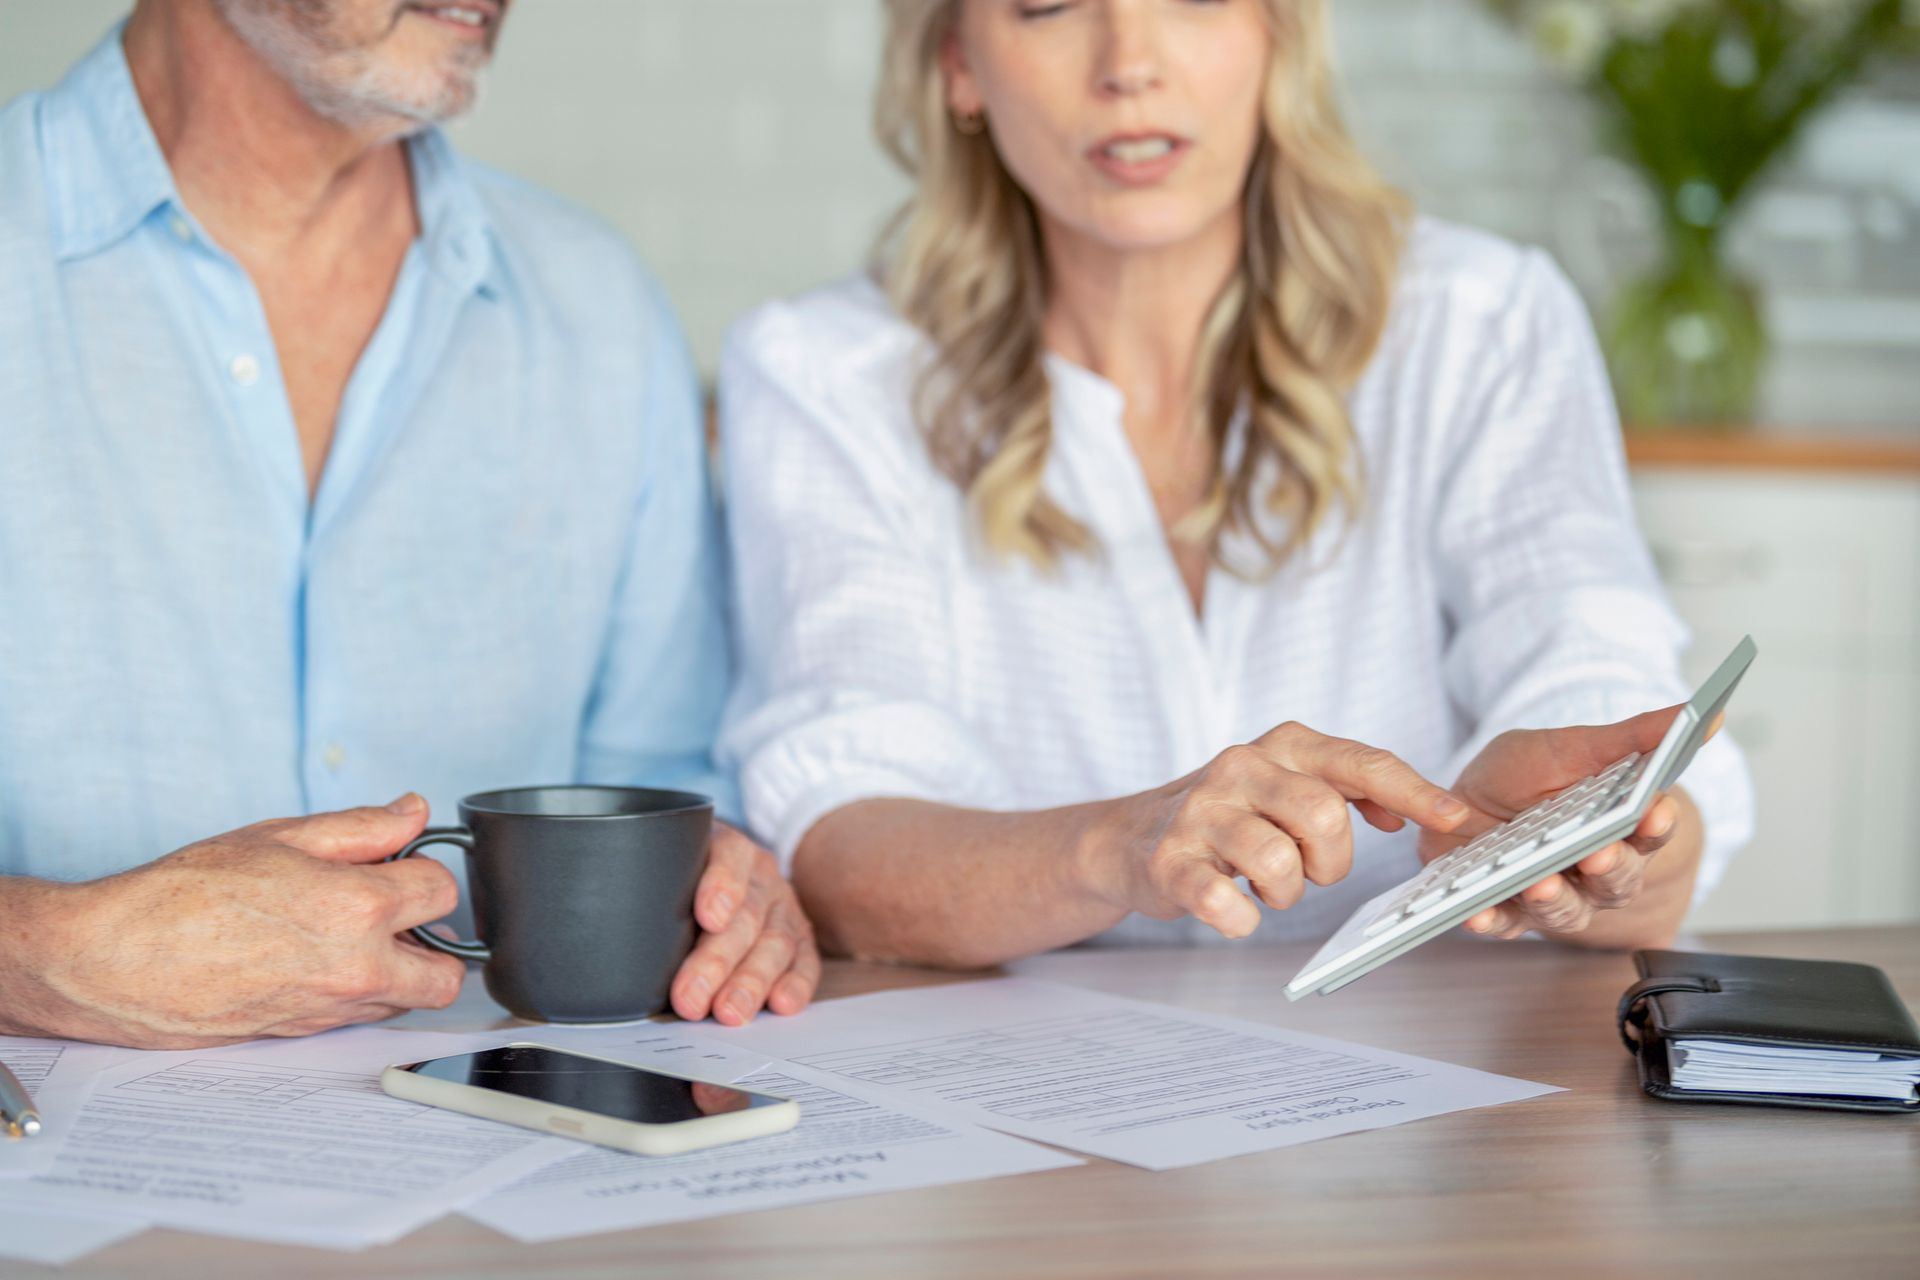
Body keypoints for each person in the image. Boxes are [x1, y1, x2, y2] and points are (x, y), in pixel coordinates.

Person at [716, 0, 1753, 969]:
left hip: (1439, 1101)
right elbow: (845, 843)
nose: (1131, 66)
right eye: (1047, 4)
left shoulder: (1482, 323)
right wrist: (1119, 845)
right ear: (958, 64)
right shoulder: (824, 374)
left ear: (1277, 31)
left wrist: (1579, 833)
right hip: (1040, 1116)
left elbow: (1601, 689)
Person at [0, 0, 816, 1048]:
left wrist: (730, 899)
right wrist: (40, 953)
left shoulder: (600, 311)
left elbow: (677, 784)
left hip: (517, 1169)